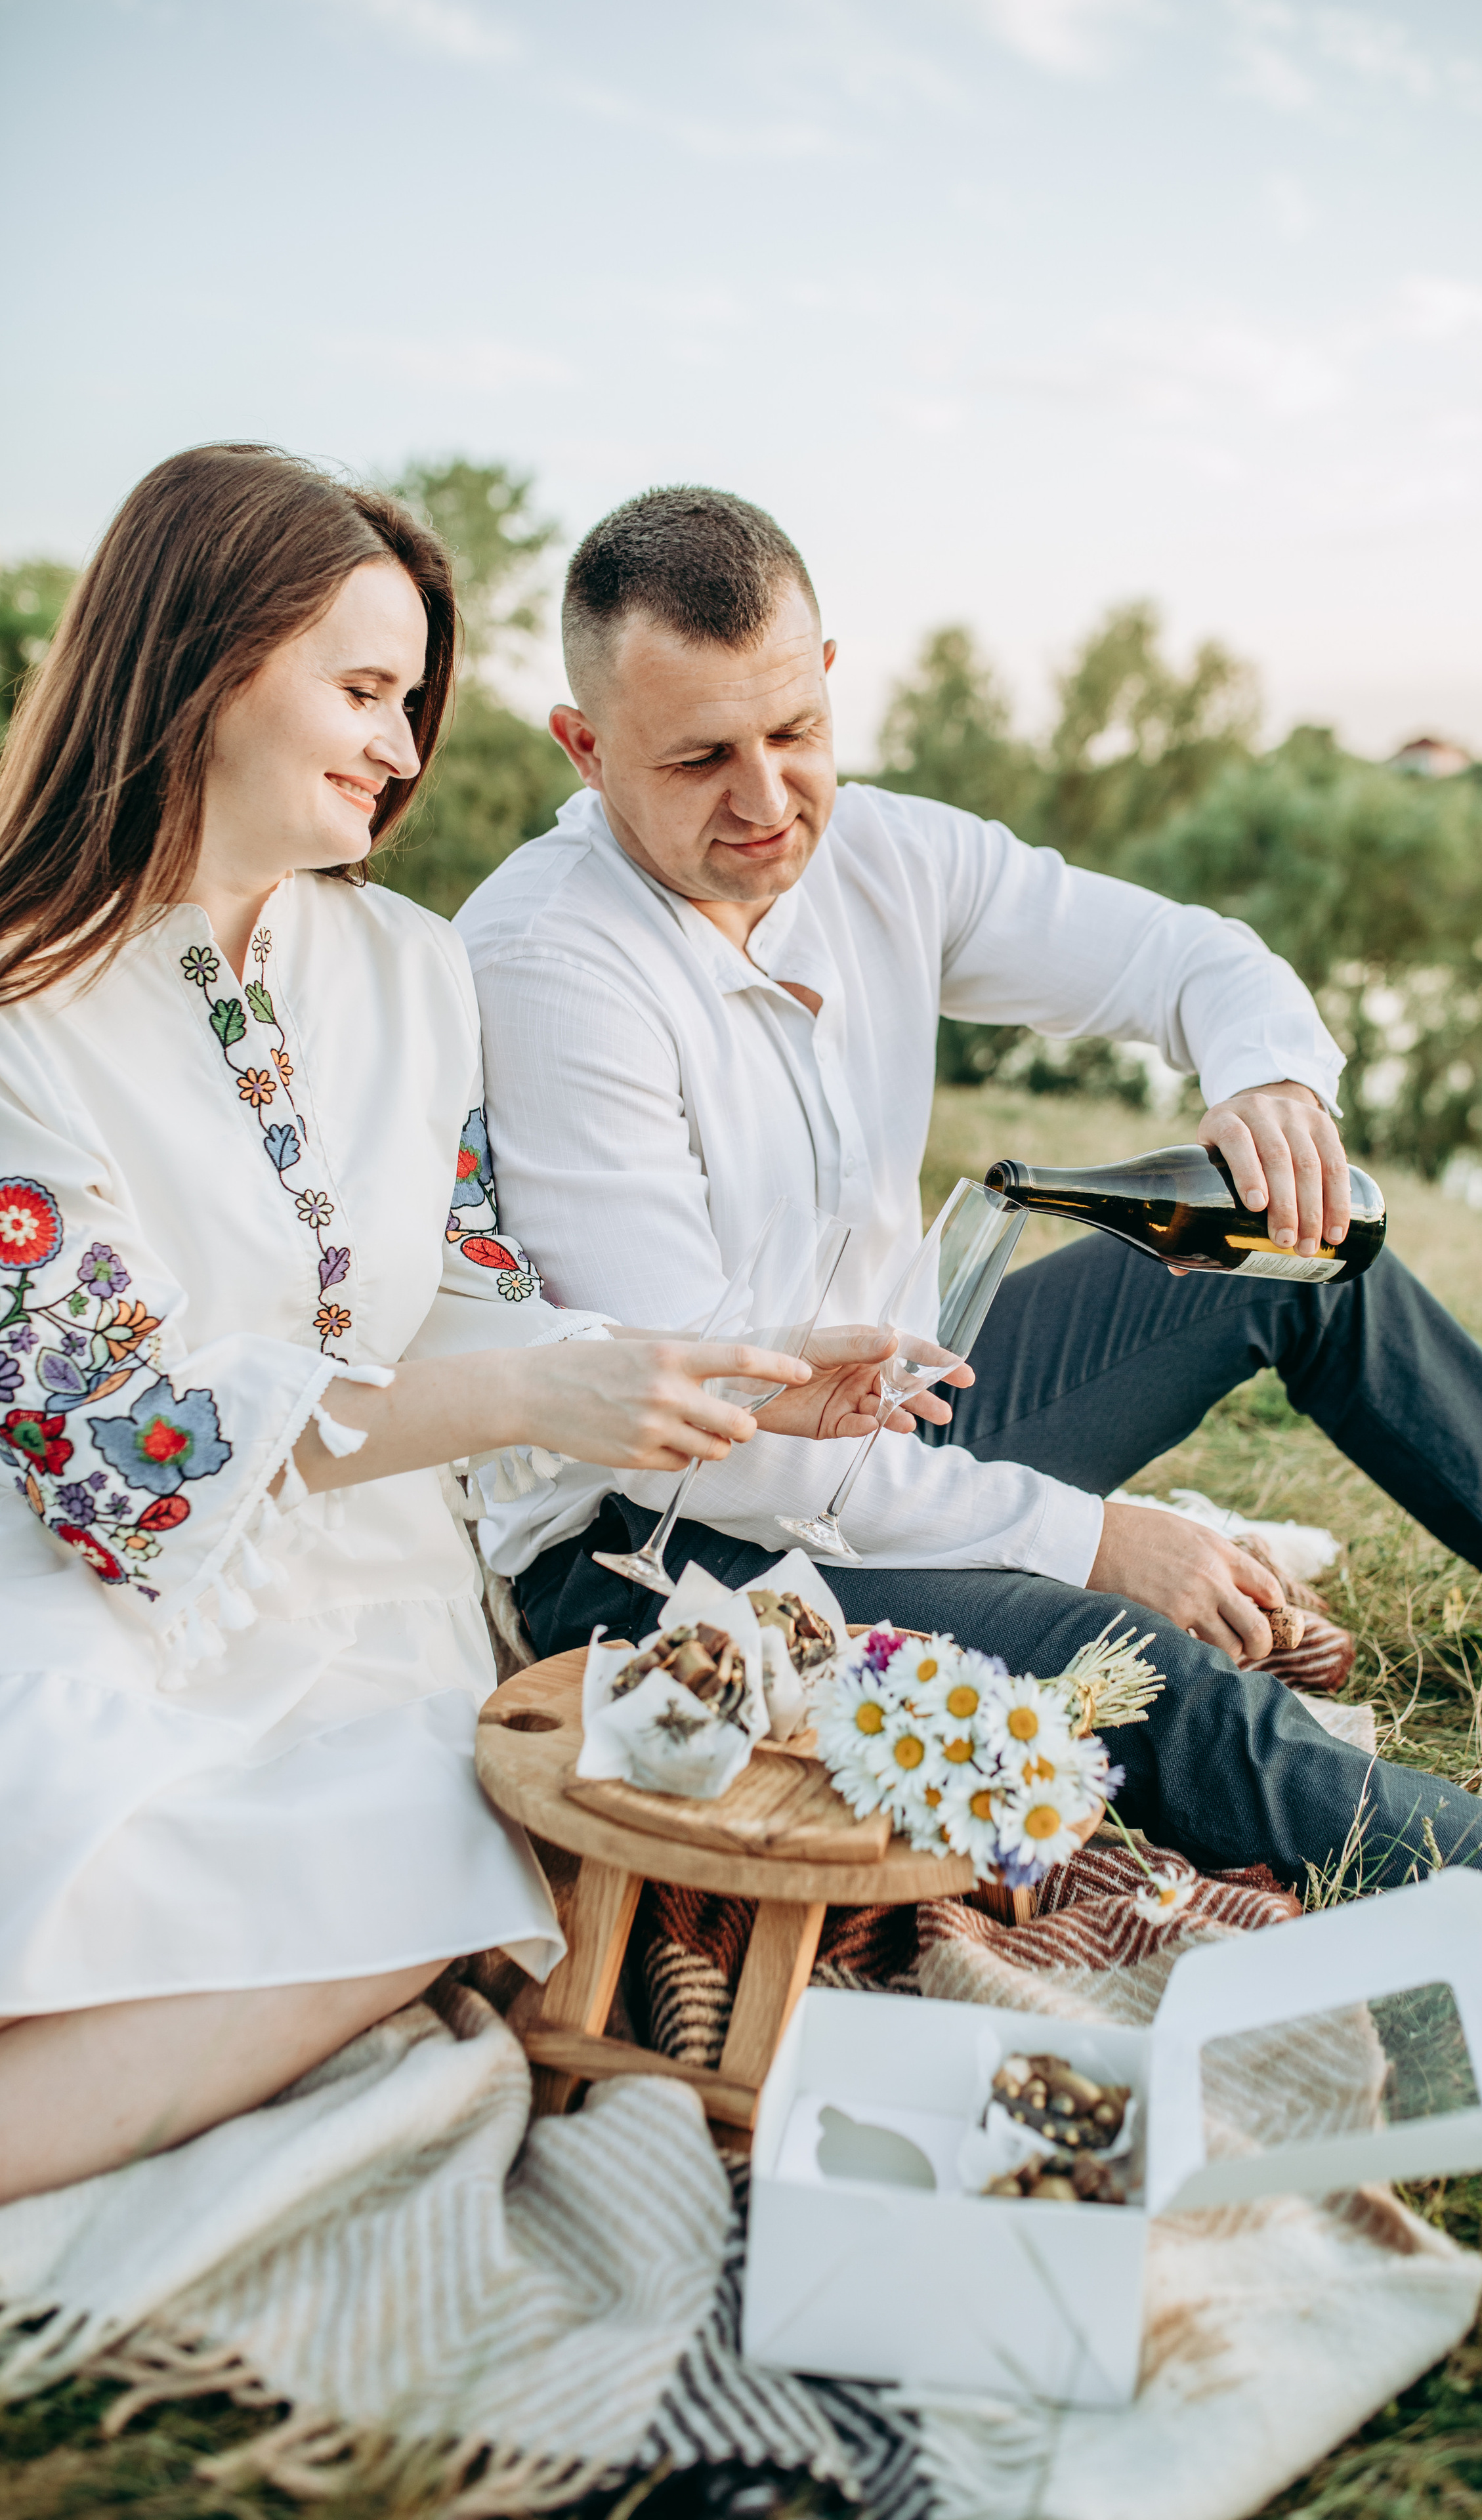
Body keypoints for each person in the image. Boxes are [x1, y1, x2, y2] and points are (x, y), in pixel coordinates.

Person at [457, 484, 1482, 1977]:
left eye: (792, 734)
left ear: (830, 678)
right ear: (584, 751)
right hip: (672, 1546)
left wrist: (1269, 1075)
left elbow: (1186, 957)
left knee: (1280, 1244)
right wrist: (1089, 1540)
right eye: (700, 758)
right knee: (1148, 1668)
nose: (768, 799)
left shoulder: (884, 861)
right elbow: (708, 1424)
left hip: (898, 1422)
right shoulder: (547, 963)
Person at [0, 448, 917, 2204]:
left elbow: (488, 1303)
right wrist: (537, 1386)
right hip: (99, 1597)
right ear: (203, 665)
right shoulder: (26, 1014)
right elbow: (117, 1459)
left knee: (448, 1837)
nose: (404, 751)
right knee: (154, 1835)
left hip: (391, 1606)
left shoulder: (418, 969)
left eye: (413, 701)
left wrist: (754, 1374)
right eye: (362, 691)